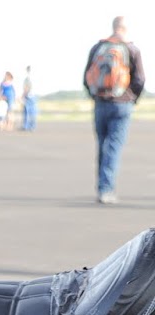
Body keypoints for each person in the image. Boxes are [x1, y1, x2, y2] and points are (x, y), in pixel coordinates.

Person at [83, 15, 146, 205]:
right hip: (122, 104)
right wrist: (132, 98)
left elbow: (86, 77)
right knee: (114, 147)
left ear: (113, 27)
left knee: (102, 145)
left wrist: (95, 96)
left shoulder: (97, 48)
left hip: (101, 103)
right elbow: (140, 79)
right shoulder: (131, 49)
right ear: (125, 29)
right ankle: (106, 189)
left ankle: (102, 186)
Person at [21, 65, 38, 131]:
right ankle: (30, 126)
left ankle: (28, 126)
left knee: (28, 112)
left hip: (29, 96)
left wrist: (23, 95)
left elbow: (27, 88)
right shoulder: (32, 77)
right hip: (33, 96)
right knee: (31, 112)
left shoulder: (28, 78)